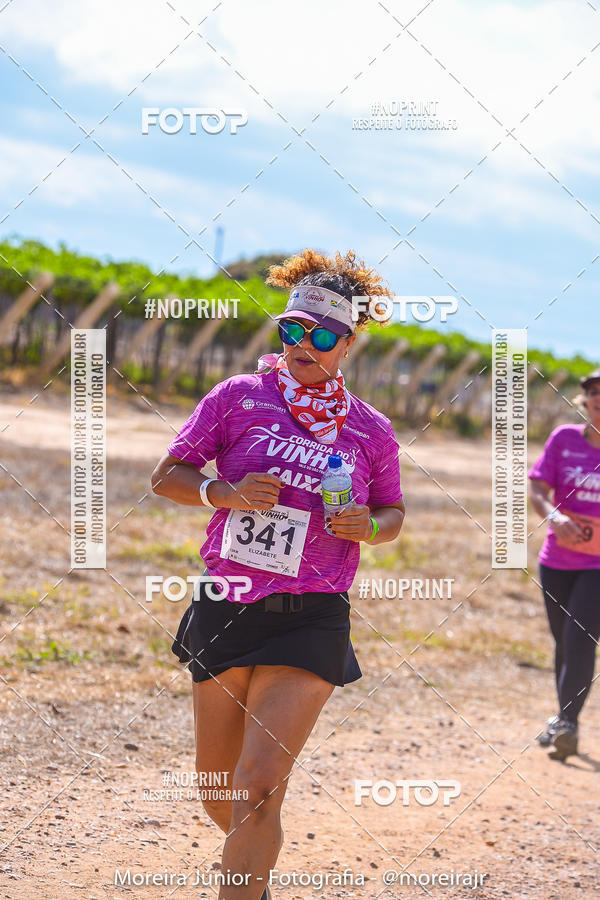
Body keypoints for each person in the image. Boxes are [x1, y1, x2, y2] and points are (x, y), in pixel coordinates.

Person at [151, 249, 405, 899]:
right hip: (228, 600)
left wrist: (368, 528)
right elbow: (168, 476)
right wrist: (223, 493)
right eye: (292, 329)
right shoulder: (238, 397)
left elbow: (393, 512)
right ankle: (253, 880)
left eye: (320, 335)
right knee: (220, 791)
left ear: (347, 343)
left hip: (313, 613)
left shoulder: (370, 431)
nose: (302, 344)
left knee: (259, 788)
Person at [529, 369, 600, 761]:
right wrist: (555, 517)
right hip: (557, 560)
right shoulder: (564, 438)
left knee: (579, 639)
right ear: (585, 400)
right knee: (564, 642)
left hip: (598, 566)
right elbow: (538, 487)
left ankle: (568, 724)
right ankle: (562, 719)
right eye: (594, 392)